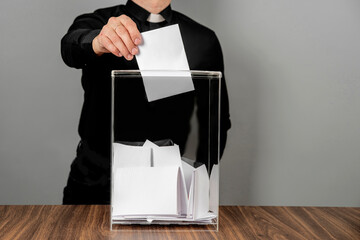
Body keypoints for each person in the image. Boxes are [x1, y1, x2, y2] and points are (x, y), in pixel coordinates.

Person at [61, 0, 231, 204]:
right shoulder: (98, 23)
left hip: (169, 188)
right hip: (94, 184)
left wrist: (198, 183)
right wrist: (98, 41)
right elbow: (71, 48)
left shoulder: (202, 39)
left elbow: (215, 122)